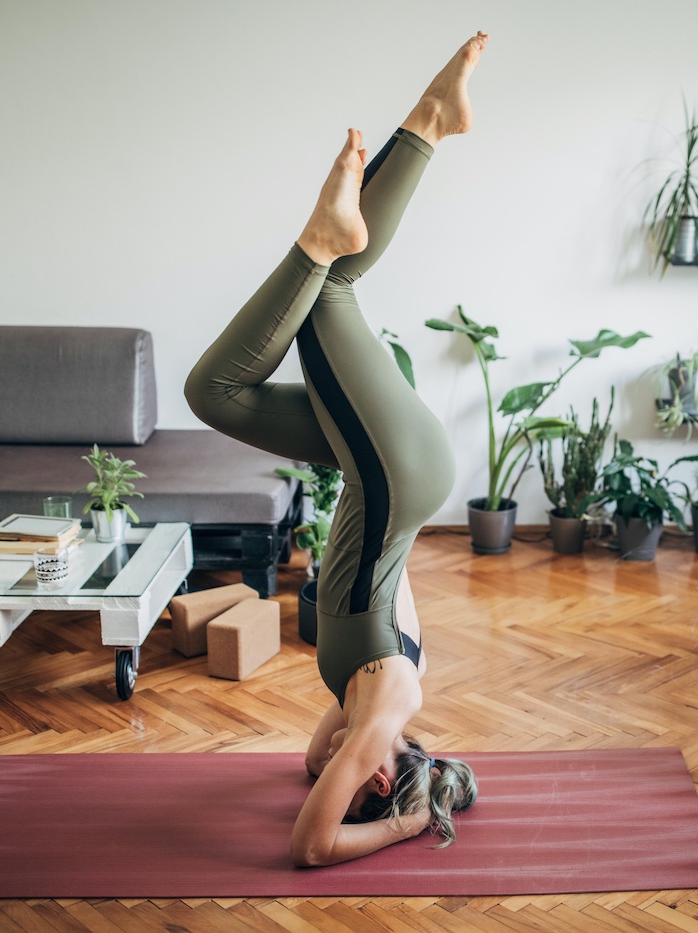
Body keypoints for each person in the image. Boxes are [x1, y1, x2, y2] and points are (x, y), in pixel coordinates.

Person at [185, 32, 488, 867]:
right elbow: (311, 847)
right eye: (373, 783)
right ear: (388, 778)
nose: (347, 772)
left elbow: (314, 761)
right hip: (396, 468)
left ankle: (403, 151)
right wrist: (404, 823)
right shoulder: (389, 703)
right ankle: (425, 125)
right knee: (333, 285)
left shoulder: (359, 713)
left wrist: (358, 759)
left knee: (216, 396)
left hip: (378, 463)